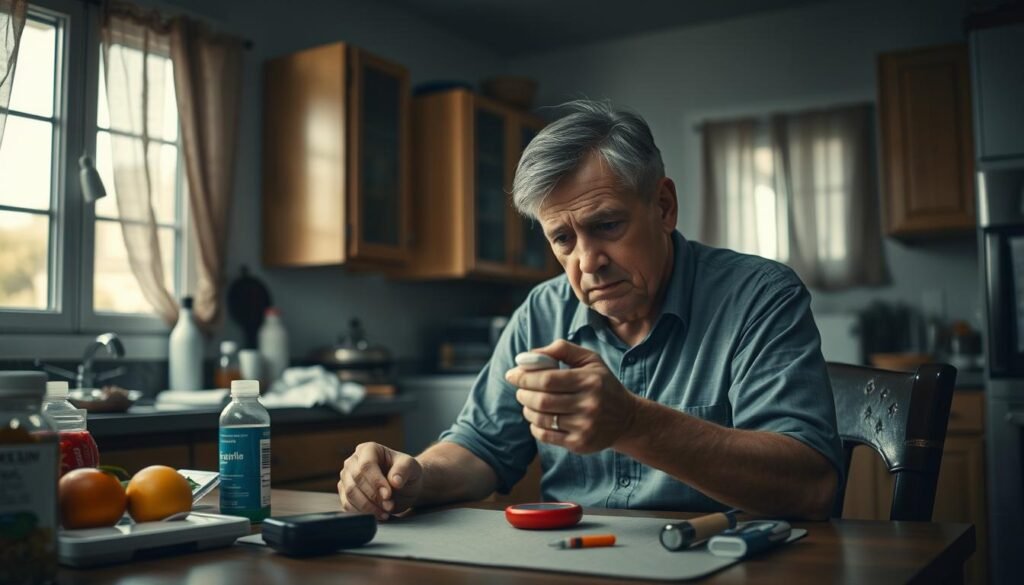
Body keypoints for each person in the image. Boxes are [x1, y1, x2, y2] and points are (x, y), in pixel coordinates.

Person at [338, 100, 843, 521]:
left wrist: (632, 424)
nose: (588, 262)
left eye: (606, 225)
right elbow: (479, 449)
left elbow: (811, 487)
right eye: (563, 238)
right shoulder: (542, 311)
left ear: (663, 207)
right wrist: (415, 477)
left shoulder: (758, 296)